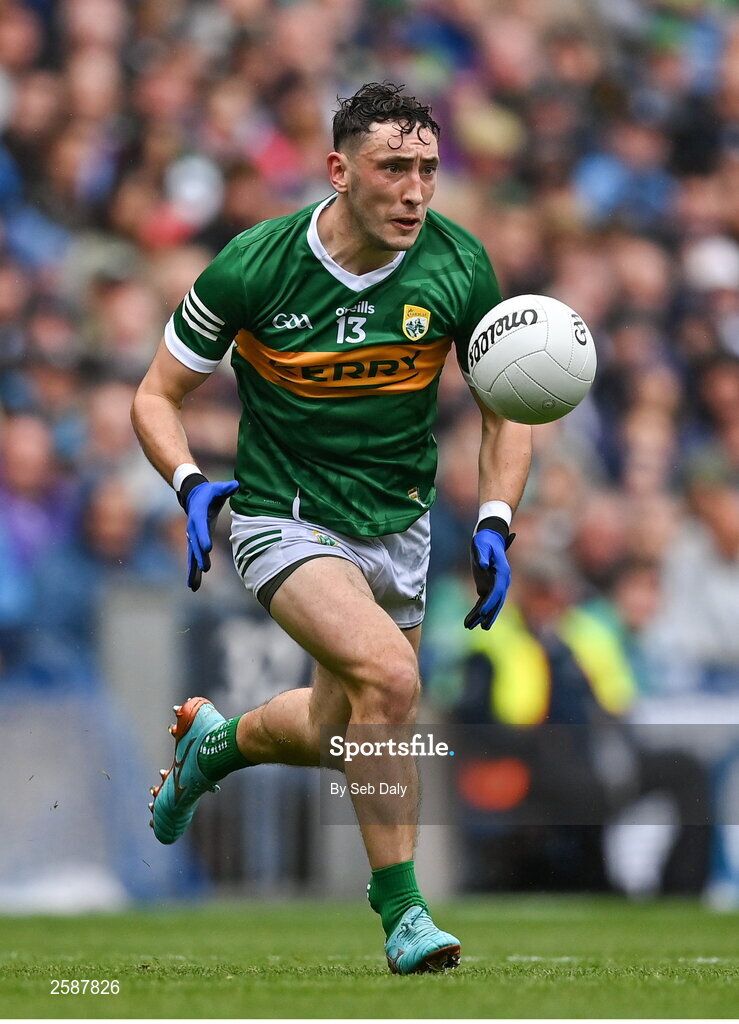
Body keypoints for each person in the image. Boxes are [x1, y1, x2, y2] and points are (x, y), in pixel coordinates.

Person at [131, 82, 532, 974]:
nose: (415, 191)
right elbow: (157, 394)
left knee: (338, 725)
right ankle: (403, 913)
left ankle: (216, 745)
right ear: (338, 170)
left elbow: (510, 406)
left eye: (428, 169)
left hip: (399, 522)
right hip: (284, 515)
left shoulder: (459, 266)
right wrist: (190, 482)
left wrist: (497, 518)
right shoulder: (254, 264)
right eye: (394, 168)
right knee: (390, 685)